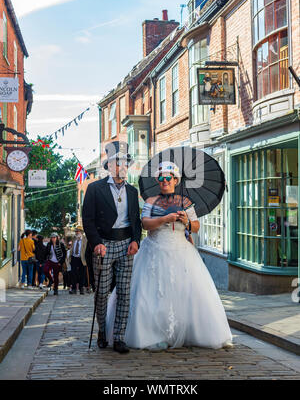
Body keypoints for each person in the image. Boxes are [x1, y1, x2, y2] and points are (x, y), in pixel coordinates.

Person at [106, 161, 233, 350]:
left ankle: (193, 332)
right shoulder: (150, 201)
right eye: (161, 178)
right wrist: (165, 219)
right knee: (153, 294)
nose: (165, 181)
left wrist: (186, 222)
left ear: (175, 180)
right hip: (154, 250)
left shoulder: (186, 202)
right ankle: (155, 334)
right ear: (158, 180)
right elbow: (146, 224)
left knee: (189, 293)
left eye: (168, 178)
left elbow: (196, 226)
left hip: (181, 250)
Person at [82, 141, 142, 354]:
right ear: (109, 166)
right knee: (101, 293)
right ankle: (102, 331)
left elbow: (136, 220)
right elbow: (87, 220)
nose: (121, 167)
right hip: (103, 246)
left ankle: (119, 337)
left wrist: (136, 240)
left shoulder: (133, 192)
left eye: (125, 163)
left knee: (125, 293)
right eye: (117, 163)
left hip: (126, 246)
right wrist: (97, 243)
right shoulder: (94, 189)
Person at [69, 226, 87, 295]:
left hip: (82, 258)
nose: (76, 233)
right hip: (74, 257)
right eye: (76, 231)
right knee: (73, 273)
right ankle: (74, 288)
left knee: (82, 274)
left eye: (78, 231)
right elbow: (71, 248)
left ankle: (81, 288)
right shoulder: (74, 239)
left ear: (81, 232)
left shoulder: (85, 239)